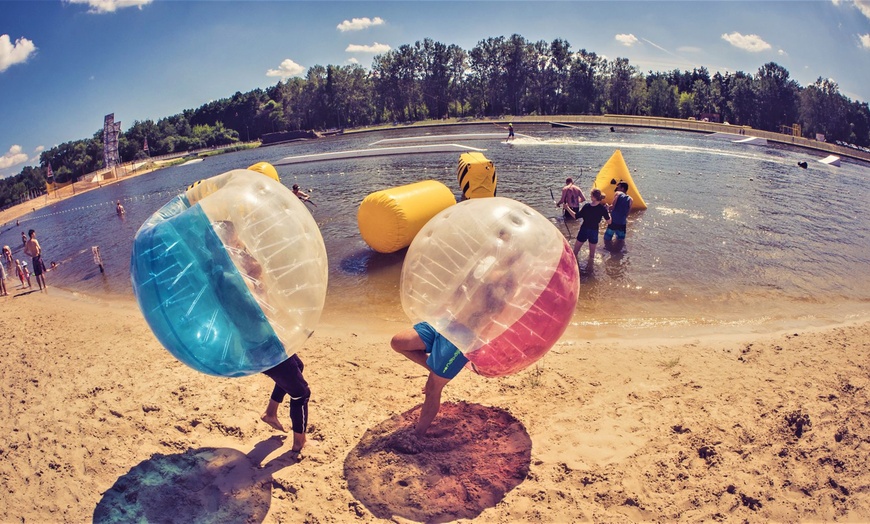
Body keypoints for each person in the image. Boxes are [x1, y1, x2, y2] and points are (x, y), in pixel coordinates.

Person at [211, 221, 310, 454]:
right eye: (235, 240)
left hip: (261, 340)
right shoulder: (235, 279)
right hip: (263, 343)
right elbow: (259, 311)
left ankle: (270, 412)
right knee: (301, 392)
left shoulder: (223, 270)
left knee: (298, 365)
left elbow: (255, 273)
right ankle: (299, 443)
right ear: (227, 244)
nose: (240, 243)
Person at [391, 322, 469, 437]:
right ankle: (437, 371)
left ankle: (418, 434)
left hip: (465, 335)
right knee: (398, 342)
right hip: (446, 321)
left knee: (433, 388)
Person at [573, 188, 611, 268]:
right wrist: (607, 211)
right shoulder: (602, 209)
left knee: (575, 251)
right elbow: (609, 222)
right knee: (592, 255)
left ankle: (573, 266)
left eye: (591, 195)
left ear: (594, 197)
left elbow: (576, 216)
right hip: (594, 231)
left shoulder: (587, 206)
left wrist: (567, 208)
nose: (590, 196)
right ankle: (590, 270)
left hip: (584, 230)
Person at [604, 181, 633, 253]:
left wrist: (607, 207)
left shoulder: (617, 194)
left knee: (607, 238)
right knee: (620, 240)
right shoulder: (630, 199)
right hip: (622, 223)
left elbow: (612, 207)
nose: (616, 188)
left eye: (618, 187)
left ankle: (608, 251)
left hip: (613, 221)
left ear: (622, 188)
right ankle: (617, 253)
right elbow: (627, 213)